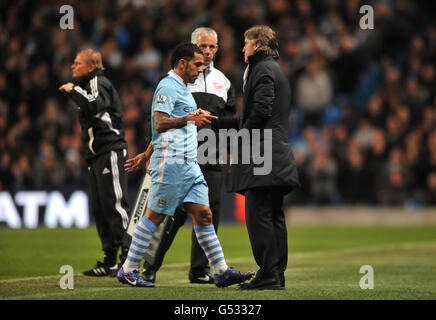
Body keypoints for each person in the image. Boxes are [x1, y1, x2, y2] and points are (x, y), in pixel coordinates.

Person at [117, 42, 254, 288]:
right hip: (171, 164)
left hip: (189, 165)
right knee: (155, 215)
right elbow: (159, 123)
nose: (201, 69)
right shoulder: (168, 86)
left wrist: (148, 150)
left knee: (204, 215)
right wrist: (190, 118)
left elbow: (169, 125)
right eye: (197, 64)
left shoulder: (182, 88)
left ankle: (221, 270)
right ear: (182, 63)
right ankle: (128, 269)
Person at [140, 27, 236, 284]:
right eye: (202, 46)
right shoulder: (177, 80)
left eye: (212, 47)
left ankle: (199, 270)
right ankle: (149, 266)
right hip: (179, 155)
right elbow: (159, 118)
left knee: (208, 212)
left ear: (217, 48)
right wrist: (151, 149)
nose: (207, 52)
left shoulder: (224, 81)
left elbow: (231, 118)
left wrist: (227, 148)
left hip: (212, 154)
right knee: (170, 213)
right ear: (192, 46)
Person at [211, 25, 300, 290]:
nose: (243, 49)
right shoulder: (274, 69)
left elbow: (260, 111)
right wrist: (217, 123)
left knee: (258, 213)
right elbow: (257, 115)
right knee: (273, 214)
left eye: (246, 43)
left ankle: (268, 273)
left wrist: (240, 139)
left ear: (258, 45)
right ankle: (276, 273)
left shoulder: (261, 70)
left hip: (262, 153)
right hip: (275, 150)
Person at [59, 49, 132, 276]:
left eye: (77, 63)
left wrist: (73, 90)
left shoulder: (98, 82)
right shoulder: (90, 84)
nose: (73, 66)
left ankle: (129, 260)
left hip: (110, 151)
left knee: (114, 205)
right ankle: (110, 262)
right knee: (101, 210)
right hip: (96, 155)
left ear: (90, 67)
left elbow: (94, 105)